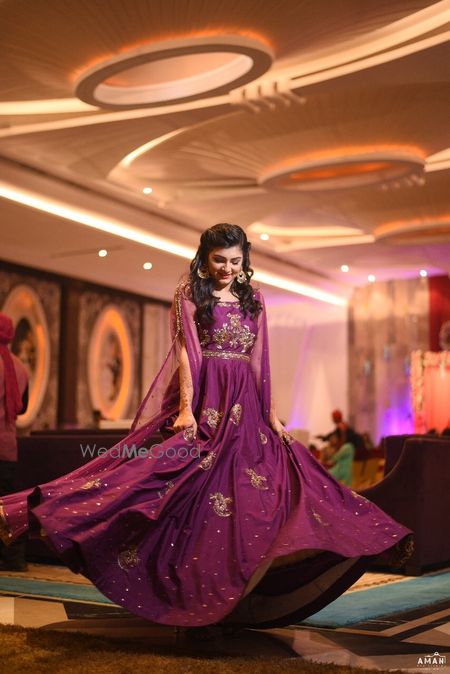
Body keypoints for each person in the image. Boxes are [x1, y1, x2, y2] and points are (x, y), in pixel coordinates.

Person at [0, 224, 413, 630]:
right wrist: (186, 409)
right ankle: (179, 585)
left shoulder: (255, 299)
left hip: (247, 405)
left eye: (236, 260)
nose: (228, 268)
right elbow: (185, 353)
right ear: (205, 256)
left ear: (244, 260)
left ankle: (243, 590)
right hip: (206, 397)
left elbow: (259, 359)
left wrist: (270, 413)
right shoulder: (189, 294)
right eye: (219, 259)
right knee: (174, 482)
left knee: (273, 486)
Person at [0, 312, 29, 571]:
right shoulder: (20, 367)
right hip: (8, 447)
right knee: (7, 505)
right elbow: (22, 409)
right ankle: (14, 558)